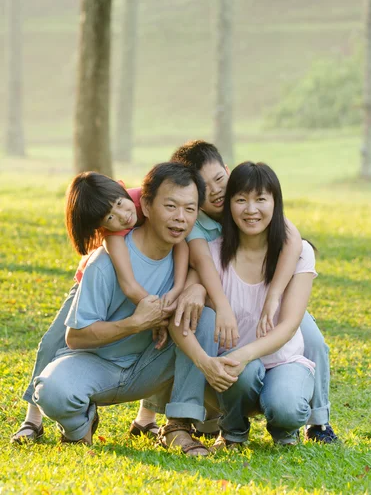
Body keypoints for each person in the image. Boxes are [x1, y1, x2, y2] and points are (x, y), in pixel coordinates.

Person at [32, 162, 230, 456]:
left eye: (190, 209)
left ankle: (178, 426)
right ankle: (78, 427)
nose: (180, 218)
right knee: (53, 390)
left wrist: (192, 292)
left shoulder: (189, 255)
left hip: (151, 364)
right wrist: (135, 323)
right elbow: (75, 337)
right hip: (98, 365)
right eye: (171, 206)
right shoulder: (105, 262)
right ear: (146, 206)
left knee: (202, 316)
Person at [167, 141, 337, 443]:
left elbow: (294, 242)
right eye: (205, 188)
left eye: (220, 180)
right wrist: (201, 290)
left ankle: (318, 421)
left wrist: (274, 295)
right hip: (235, 308)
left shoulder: (256, 200)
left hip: (277, 299)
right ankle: (204, 422)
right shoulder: (197, 221)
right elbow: (202, 261)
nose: (216, 191)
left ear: (228, 173)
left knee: (311, 341)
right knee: (202, 325)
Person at [10, 170, 191, 444]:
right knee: (53, 342)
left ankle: (146, 418)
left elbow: (181, 241)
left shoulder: (142, 198)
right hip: (95, 282)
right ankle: (32, 418)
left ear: (122, 191)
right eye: (110, 217)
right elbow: (128, 285)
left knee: (153, 343)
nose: (122, 216)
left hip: (137, 282)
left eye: (120, 204)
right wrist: (150, 314)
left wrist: (176, 291)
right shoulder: (112, 238)